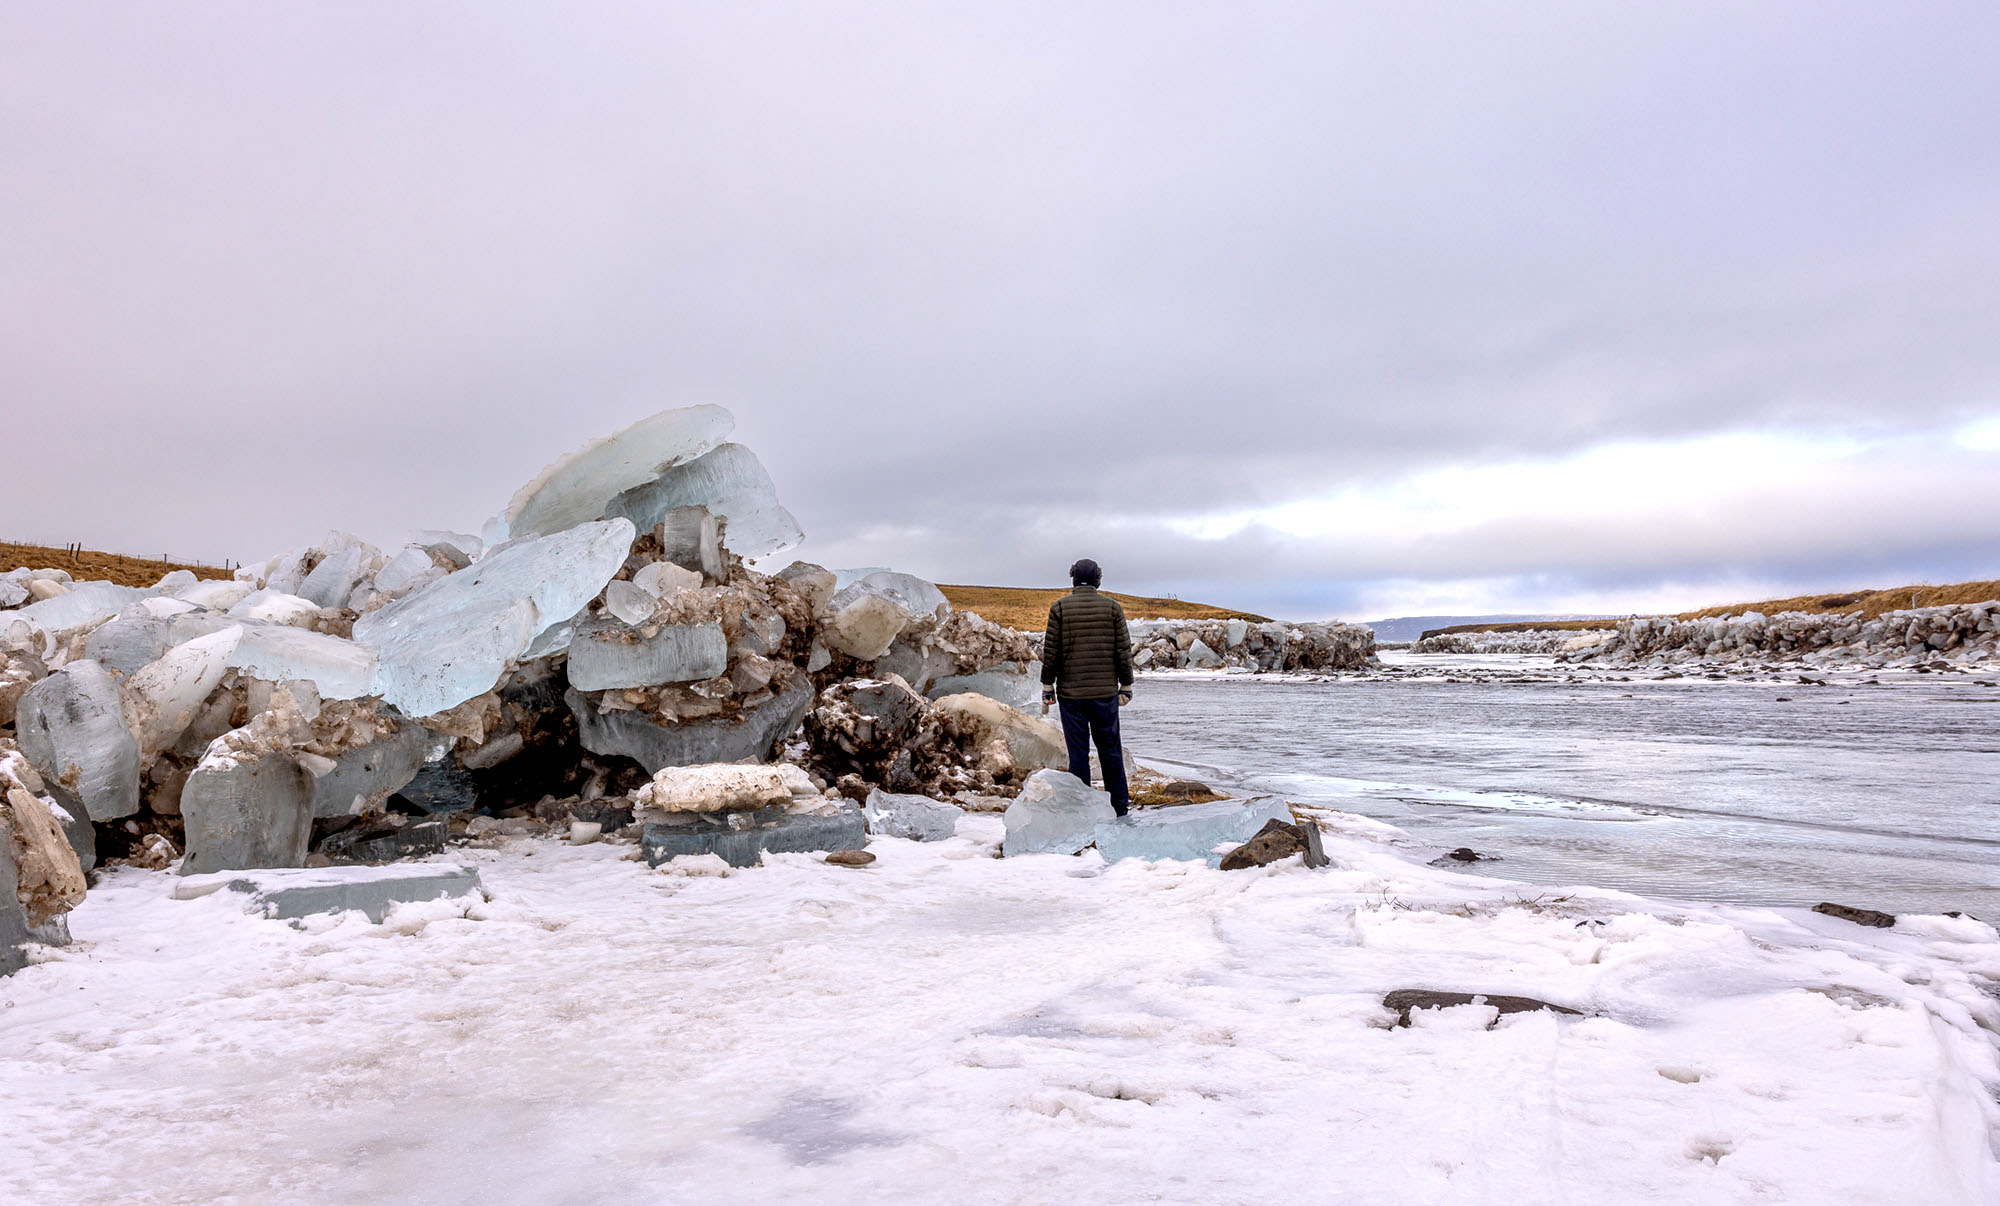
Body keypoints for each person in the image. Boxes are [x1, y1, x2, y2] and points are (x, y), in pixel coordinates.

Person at [1040, 558, 1134, 815]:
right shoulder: (1112, 608)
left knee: (1078, 753)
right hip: (1105, 694)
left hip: (1071, 695)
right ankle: (1119, 806)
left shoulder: (1059, 607)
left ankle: (1080, 809)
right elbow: (1123, 651)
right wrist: (1126, 685)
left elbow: (1052, 653)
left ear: (1072, 578)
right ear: (1098, 580)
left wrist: (1047, 686)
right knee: (1110, 751)